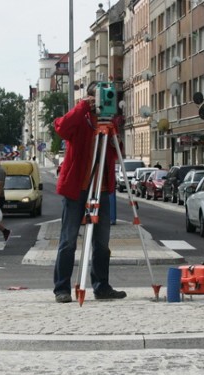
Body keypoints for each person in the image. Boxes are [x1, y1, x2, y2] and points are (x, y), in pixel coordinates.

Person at [51, 81, 127, 303]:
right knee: (69, 240)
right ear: (91, 98)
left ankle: (101, 286)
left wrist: (115, 139)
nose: (105, 101)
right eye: (101, 96)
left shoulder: (109, 122)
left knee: (102, 242)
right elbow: (61, 128)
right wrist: (83, 106)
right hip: (77, 188)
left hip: (101, 188)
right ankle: (62, 288)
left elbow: (116, 153)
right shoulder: (81, 117)